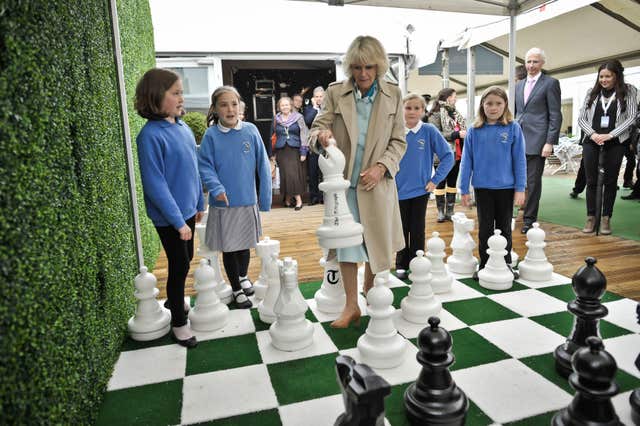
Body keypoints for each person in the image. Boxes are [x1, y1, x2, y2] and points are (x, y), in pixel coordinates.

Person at [310, 35, 406, 328]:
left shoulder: (394, 94)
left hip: (377, 183)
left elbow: (399, 141)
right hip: (344, 185)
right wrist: (322, 137)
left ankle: (371, 294)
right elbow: (317, 129)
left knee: (376, 244)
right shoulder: (335, 92)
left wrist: (381, 167)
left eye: (368, 67)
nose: (362, 74)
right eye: (356, 67)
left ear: (378, 67)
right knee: (347, 247)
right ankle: (351, 306)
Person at [134, 68, 205, 348]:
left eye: (181, 93)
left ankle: (174, 301)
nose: (181, 98)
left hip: (187, 212)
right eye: (175, 93)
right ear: (155, 97)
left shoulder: (182, 128)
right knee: (179, 265)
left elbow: (192, 169)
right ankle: (178, 321)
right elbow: (155, 186)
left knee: (185, 260)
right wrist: (178, 222)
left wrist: (199, 202)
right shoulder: (150, 136)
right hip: (169, 218)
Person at [199, 86, 272, 308]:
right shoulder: (211, 135)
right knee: (230, 248)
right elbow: (205, 166)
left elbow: (263, 165)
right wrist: (216, 188)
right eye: (224, 104)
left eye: (234, 103)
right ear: (215, 109)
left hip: (247, 200)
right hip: (224, 204)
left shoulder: (250, 130)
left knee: (245, 245)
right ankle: (236, 289)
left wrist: (265, 198)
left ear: (240, 106)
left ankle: (242, 276)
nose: (230, 109)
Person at [459, 86, 526, 279]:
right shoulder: (474, 130)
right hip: (483, 189)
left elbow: (519, 160)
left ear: (505, 105)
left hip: (506, 189)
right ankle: (485, 264)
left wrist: (520, 188)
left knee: (505, 227)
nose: (493, 107)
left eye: (498, 103)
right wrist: (464, 189)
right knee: (486, 228)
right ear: (482, 106)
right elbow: (466, 161)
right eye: (489, 103)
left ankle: (505, 264)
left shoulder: (513, 128)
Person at [395, 93, 454, 280]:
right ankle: (401, 264)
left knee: (417, 228)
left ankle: (416, 262)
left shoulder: (428, 131)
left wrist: (435, 180)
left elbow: (448, 156)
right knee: (400, 229)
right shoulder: (394, 131)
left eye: (417, 108)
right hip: (395, 192)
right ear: (401, 109)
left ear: (423, 110)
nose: (412, 112)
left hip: (421, 191)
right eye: (408, 108)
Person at [577, 60, 638, 234]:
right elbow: (581, 118)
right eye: (601, 76)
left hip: (616, 141)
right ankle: (591, 217)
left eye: (608, 76)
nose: (604, 80)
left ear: (616, 76)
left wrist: (611, 134)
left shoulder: (630, 91)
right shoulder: (592, 92)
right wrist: (593, 135)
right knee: (591, 180)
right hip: (592, 140)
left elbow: (632, 117)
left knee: (611, 181)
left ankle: (606, 218)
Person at [514, 47, 562, 234]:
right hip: (517, 140)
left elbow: (555, 115)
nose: (531, 65)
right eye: (528, 61)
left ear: (542, 63)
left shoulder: (551, 83)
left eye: (535, 61)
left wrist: (549, 142)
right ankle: (511, 213)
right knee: (514, 179)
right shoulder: (518, 86)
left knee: (533, 183)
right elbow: (517, 113)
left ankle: (529, 219)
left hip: (538, 141)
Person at [428, 88, 467, 222]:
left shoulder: (454, 114)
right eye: (454, 97)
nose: (455, 99)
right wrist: (457, 134)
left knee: (452, 181)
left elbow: (461, 127)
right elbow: (436, 135)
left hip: (457, 153)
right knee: (440, 182)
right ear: (447, 98)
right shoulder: (435, 115)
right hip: (441, 155)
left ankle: (450, 211)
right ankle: (440, 212)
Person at [271, 96, 309, 210]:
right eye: (282, 105)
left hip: (295, 150)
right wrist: (272, 154)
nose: (285, 107)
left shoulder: (298, 117)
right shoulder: (276, 119)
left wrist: (304, 151)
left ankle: (298, 200)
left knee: (293, 175)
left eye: (287, 104)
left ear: (291, 106)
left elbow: (304, 134)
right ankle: (287, 199)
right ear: (279, 107)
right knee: (285, 175)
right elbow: (272, 136)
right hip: (281, 151)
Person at [304, 86, 325, 205]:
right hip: (313, 145)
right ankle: (314, 197)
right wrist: (315, 107)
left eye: (321, 96)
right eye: (316, 97)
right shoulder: (309, 109)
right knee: (312, 172)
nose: (319, 99)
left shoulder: (328, 108)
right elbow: (307, 121)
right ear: (313, 98)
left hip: (325, 144)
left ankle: (323, 196)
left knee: (324, 172)